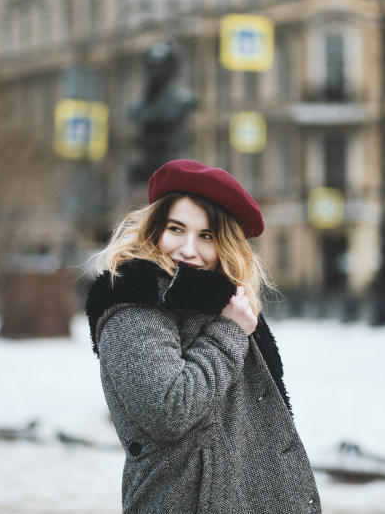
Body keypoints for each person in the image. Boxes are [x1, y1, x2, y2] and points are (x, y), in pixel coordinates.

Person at [85, 159, 321, 513]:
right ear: (155, 230)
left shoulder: (220, 301)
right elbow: (167, 408)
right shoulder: (133, 300)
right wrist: (228, 332)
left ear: (225, 245)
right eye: (176, 229)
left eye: (206, 236)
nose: (188, 249)